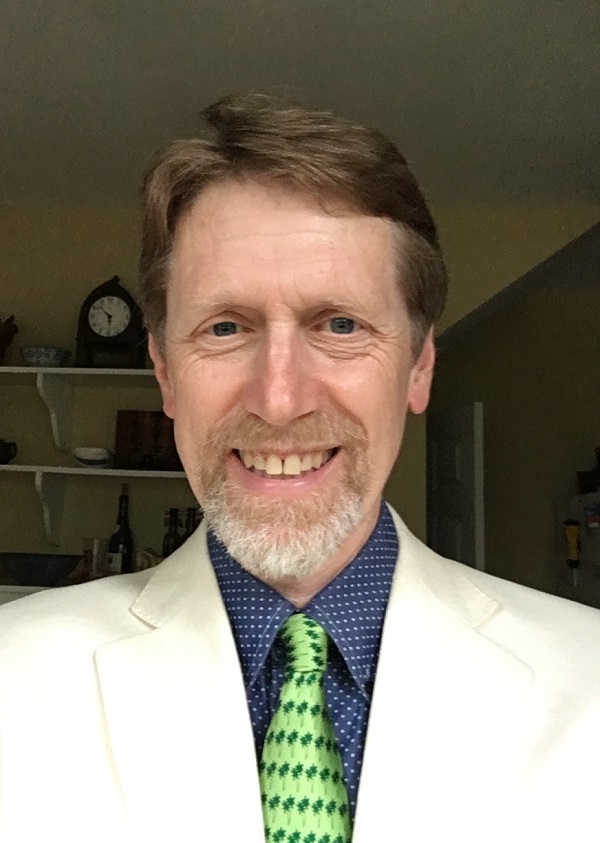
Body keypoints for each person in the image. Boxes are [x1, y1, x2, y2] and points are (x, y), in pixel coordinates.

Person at [1, 94, 600, 843]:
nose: (279, 400)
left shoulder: (592, 681)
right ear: (164, 374)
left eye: (340, 324)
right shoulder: (10, 681)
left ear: (418, 368)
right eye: (224, 327)